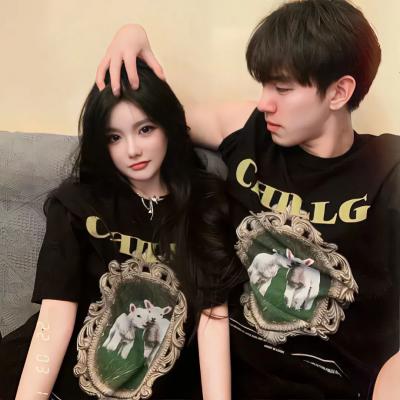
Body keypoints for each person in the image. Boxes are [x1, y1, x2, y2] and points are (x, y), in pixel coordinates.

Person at [95, 0, 400, 399]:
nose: (264, 102)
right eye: (264, 85)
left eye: (282, 88)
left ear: (339, 92)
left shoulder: (387, 169)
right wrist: (132, 35)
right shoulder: (250, 130)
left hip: (320, 379)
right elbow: (149, 127)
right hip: (218, 364)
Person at [0, 61, 241, 399]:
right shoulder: (76, 205)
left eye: (145, 129)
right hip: (65, 379)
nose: (132, 150)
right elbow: (54, 317)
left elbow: (212, 318)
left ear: (168, 126)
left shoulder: (206, 205)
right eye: (115, 137)